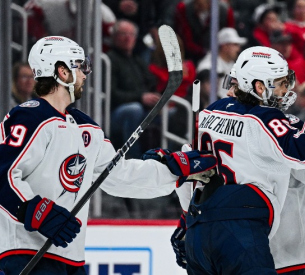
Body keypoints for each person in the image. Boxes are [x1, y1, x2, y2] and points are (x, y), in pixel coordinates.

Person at [0, 36, 217, 274]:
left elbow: (119, 177)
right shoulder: (29, 117)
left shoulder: (86, 127)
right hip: (24, 255)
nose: (85, 73)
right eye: (80, 66)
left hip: (71, 259)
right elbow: (4, 174)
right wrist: (35, 210)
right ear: (62, 71)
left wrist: (174, 169)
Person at [166, 67, 305, 274]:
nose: (229, 91)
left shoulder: (213, 122)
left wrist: (188, 221)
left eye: (234, 85)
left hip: (225, 247)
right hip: (282, 255)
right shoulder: (284, 131)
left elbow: (189, 177)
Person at [107, 19, 159, 159]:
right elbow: (111, 95)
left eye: (131, 34)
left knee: (170, 113)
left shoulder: (137, 61)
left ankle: (164, 158)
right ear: (114, 36)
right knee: (134, 110)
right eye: (123, 33)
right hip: (114, 112)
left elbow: (151, 83)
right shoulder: (109, 60)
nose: (128, 38)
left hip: (141, 108)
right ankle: (133, 158)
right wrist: (140, 97)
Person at [197, 27, 247, 98]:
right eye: (235, 45)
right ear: (225, 46)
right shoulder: (208, 65)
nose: (238, 49)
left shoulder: (231, 64)